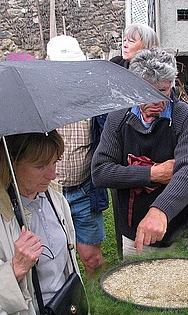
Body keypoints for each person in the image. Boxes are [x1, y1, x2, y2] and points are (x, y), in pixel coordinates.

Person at [92, 48, 188, 258]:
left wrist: (160, 210)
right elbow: (100, 171)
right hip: (133, 234)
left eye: (164, 91)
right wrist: (152, 174)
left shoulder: (186, 118)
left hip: (176, 234)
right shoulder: (118, 117)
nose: (158, 102)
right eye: (148, 93)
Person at [0, 131, 83, 314]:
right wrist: (16, 268)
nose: (53, 175)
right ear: (12, 162)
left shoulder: (54, 198)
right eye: (40, 166)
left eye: (54, 162)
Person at [47, 35, 108, 277]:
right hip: (46, 195)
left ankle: (96, 304)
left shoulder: (93, 100)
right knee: (51, 262)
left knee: (92, 259)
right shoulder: (38, 101)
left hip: (84, 192)